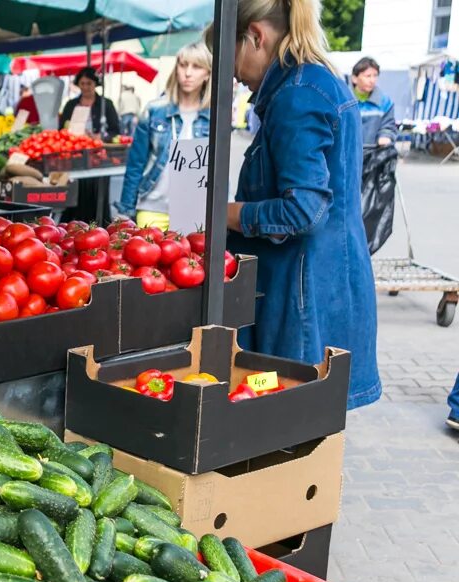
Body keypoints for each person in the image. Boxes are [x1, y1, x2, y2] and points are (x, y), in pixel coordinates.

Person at [215, 0, 381, 410]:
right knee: (301, 419)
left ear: (256, 36)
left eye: (231, 57)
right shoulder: (316, 83)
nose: (233, 76)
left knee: (283, 412)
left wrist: (226, 214)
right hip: (320, 291)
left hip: (299, 306)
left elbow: (302, 209)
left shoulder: (297, 96)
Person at [115, 43, 213, 229]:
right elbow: (136, 164)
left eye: (197, 66)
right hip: (152, 207)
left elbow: (219, 170)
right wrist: (125, 210)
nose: (188, 73)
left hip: (194, 209)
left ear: (208, 73)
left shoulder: (214, 116)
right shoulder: (154, 111)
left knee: (191, 259)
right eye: (183, 65)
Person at [60, 67, 120, 139]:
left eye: (89, 83)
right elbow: (61, 129)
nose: (85, 87)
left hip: (100, 147)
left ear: (95, 83)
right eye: (82, 83)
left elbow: (115, 130)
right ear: (78, 84)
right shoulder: (70, 105)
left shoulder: (106, 104)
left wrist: (102, 136)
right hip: (74, 146)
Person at [351, 56, 396, 147]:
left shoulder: (385, 102)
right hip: (348, 155)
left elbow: (388, 126)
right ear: (354, 78)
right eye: (368, 76)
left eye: (375, 76)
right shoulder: (343, 101)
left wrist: (385, 136)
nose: (372, 80)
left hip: (374, 155)